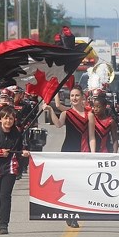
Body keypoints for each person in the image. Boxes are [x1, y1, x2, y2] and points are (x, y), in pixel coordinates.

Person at [45, 85, 95, 228]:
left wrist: (92, 154)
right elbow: (58, 124)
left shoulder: (89, 115)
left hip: (82, 152)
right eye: (72, 96)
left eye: (77, 95)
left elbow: (92, 136)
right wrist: (49, 110)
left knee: (80, 184)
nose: (74, 98)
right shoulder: (67, 114)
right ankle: (70, 215)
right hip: (67, 152)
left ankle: (76, 211)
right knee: (68, 185)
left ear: (82, 98)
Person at [0, 106, 30, 235]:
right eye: (6, 118)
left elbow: (21, 150)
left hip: (11, 169)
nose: (8, 121)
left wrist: (24, 153)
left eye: (11, 118)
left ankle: (4, 224)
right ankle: (0, 218)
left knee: (5, 195)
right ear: (1, 119)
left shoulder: (17, 134)